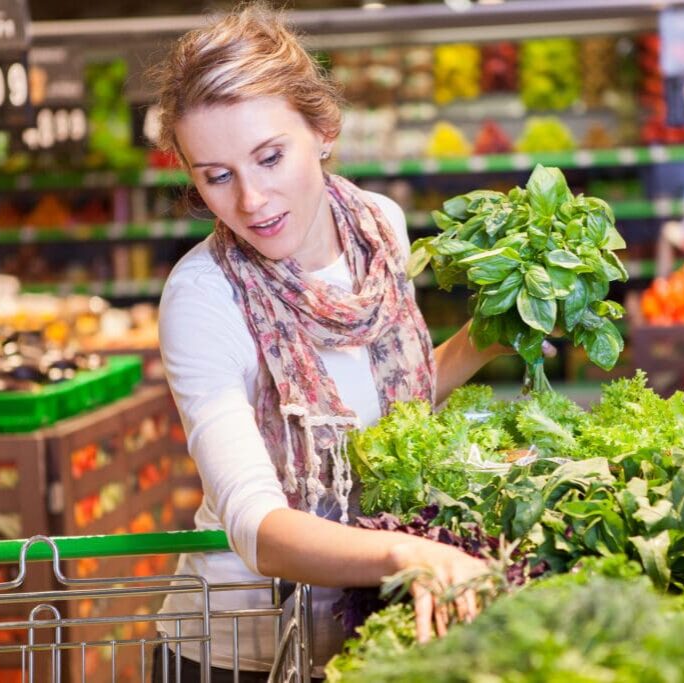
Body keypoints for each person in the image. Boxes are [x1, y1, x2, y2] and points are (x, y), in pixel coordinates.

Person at [148, 4, 521, 680]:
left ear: (322, 130)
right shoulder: (203, 297)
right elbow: (256, 524)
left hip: (364, 632)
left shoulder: (380, 228)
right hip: (237, 652)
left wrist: (482, 340)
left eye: (269, 156)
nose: (253, 200)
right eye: (217, 174)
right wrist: (409, 553)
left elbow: (380, 414)